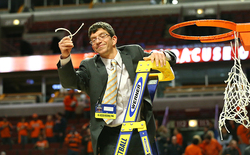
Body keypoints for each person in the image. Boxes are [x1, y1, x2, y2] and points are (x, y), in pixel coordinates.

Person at [57, 21, 176, 155]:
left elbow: (172, 56)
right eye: (93, 39)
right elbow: (69, 83)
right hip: (109, 137)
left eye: (102, 36)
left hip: (139, 131)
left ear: (114, 39)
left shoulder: (133, 52)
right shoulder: (89, 66)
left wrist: (161, 54)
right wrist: (65, 56)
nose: (97, 41)